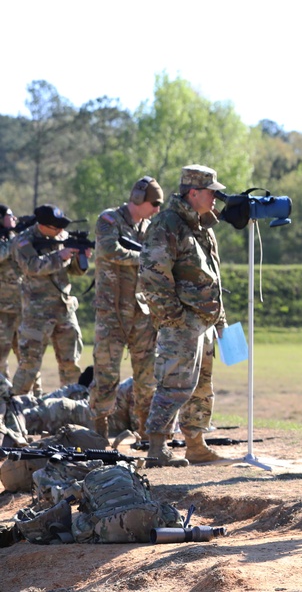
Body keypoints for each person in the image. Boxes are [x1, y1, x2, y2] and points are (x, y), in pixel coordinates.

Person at [139, 165, 227, 467]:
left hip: (204, 322)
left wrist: (221, 321)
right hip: (182, 323)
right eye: (211, 192)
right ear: (193, 193)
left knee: (201, 387)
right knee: (174, 385)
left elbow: (213, 278)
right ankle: (157, 448)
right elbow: (152, 273)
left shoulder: (202, 226)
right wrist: (173, 316)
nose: (216, 198)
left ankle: (195, 444)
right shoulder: (168, 224)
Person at [88, 177, 163, 439]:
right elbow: (110, 250)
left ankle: (147, 433)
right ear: (139, 199)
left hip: (141, 312)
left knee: (147, 376)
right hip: (112, 312)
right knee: (106, 374)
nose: (156, 209)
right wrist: (145, 258)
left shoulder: (148, 226)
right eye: (154, 203)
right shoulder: (109, 219)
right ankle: (100, 432)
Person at [10, 205, 91, 397]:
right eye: (57, 227)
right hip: (37, 313)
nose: (61, 231)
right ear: (43, 225)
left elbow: (73, 271)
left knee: (70, 364)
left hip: (64, 309)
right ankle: (12, 412)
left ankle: (72, 407)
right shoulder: (23, 241)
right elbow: (32, 267)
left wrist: (81, 259)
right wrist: (60, 256)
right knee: (29, 366)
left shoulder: (62, 238)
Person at [0, 205, 21, 380]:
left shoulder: (16, 238)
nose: (14, 218)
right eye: (10, 215)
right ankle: (3, 400)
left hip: (23, 308)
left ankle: (33, 399)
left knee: (28, 360)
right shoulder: (8, 241)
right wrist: (13, 240)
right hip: (2, 311)